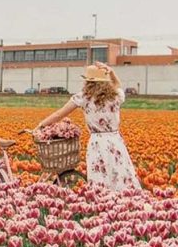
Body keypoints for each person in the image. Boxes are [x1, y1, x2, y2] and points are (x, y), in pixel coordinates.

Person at [35, 63, 141, 192]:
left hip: (97, 143)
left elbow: (59, 114)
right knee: (120, 174)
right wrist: (111, 72)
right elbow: (118, 85)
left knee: (100, 177)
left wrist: (41, 125)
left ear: (88, 81)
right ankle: (126, 203)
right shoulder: (116, 96)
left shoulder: (83, 97)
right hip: (115, 141)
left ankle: (101, 203)